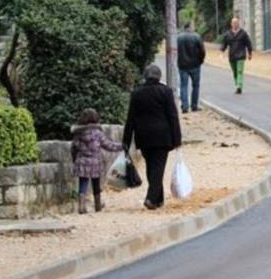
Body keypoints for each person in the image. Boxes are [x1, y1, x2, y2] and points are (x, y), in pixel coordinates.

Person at [123, 64, 182, 210]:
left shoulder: (137, 93)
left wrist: (126, 140)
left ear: (145, 76)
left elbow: (130, 119)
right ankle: (151, 198)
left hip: (144, 137)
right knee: (157, 168)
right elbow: (172, 116)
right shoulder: (166, 92)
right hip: (163, 137)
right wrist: (177, 139)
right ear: (159, 77)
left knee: (151, 167)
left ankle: (158, 200)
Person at [70, 108, 126, 214]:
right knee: (96, 183)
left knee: (83, 182)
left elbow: (73, 147)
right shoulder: (98, 133)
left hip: (82, 161)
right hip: (95, 161)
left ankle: (81, 206)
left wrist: (75, 159)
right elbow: (109, 145)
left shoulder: (78, 133)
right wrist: (122, 146)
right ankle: (98, 205)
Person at [177, 21, 206, 113]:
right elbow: (202, 50)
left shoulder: (179, 37)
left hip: (182, 65)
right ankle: (194, 106)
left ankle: (185, 106)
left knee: (183, 85)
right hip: (195, 65)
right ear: (190, 27)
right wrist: (200, 60)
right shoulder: (197, 36)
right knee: (195, 85)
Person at [219, 17, 253, 94]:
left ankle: (239, 86)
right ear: (231, 24)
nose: (235, 24)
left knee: (239, 71)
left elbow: (248, 44)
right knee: (235, 72)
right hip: (232, 56)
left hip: (241, 55)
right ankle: (237, 84)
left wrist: (250, 53)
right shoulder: (228, 34)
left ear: (238, 24)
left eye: (236, 23)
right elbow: (224, 44)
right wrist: (221, 53)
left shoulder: (243, 33)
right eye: (233, 23)